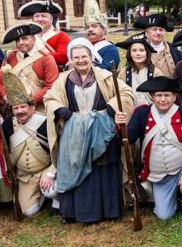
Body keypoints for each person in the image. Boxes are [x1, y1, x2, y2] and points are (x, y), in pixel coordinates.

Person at [43, 38, 134, 224]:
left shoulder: (105, 76)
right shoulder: (64, 79)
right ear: (70, 59)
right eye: (76, 57)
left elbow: (126, 93)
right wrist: (60, 109)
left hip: (101, 128)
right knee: (75, 165)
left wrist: (112, 107)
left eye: (84, 56)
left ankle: (108, 211)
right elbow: (49, 98)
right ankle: (77, 212)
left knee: (103, 166)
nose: (81, 60)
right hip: (74, 131)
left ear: (91, 56)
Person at [115, 76, 182, 229]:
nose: (163, 99)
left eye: (167, 95)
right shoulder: (142, 113)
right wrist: (121, 126)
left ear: (174, 97)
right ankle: (179, 196)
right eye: (159, 95)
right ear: (152, 96)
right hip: (158, 173)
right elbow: (130, 139)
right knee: (164, 215)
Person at [1, 68, 58, 216]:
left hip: (45, 171)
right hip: (25, 177)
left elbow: (59, 150)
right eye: (16, 108)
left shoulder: (45, 122)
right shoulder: (7, 125)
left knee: (53, 191)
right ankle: (40, 198)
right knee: (28, 212)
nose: (20, 111)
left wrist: (51, 172)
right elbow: (4, 150)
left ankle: (53, 198)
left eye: (23, 107)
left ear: (32, 107)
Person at [0, 23, 58, 113]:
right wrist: (6, 97)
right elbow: (0, 81)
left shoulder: (46, 58)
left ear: (33, 39)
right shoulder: (11, 57)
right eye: (18, 40)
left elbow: (51, 86)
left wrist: (29, 101)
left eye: (25, 38)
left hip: (41, 109)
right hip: (17, 109)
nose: (21, 42)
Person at [18, 0, 70, 67]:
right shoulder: (26, 36)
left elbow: (63, 58)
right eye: (37, 16)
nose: (40, 19)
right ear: (33, 20)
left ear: (51, 19)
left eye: (43, 16)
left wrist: (33, 56)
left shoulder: (62, 36)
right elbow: (17, 54)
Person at [115, 33, 163, 107]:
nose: (138, 53)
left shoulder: (155, 72)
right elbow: (119, 94)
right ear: (130, 54)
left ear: (147, 53)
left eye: (141, 50)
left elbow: (161, 96)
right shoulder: (124, 73)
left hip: (150, 112)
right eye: (134, 50)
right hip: (130, 111)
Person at [134, 13, 182, 77]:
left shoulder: (175, 50)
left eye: (161, 30)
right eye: (154, 29)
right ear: (146, 33)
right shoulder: (138, 51)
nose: (158, 33)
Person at [82, 0, 120, 70]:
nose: (90, 29)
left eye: (94, 26)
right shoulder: (83, 47)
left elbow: (107, 71)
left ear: (103, 29)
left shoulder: (110, 48)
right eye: (87, 27)